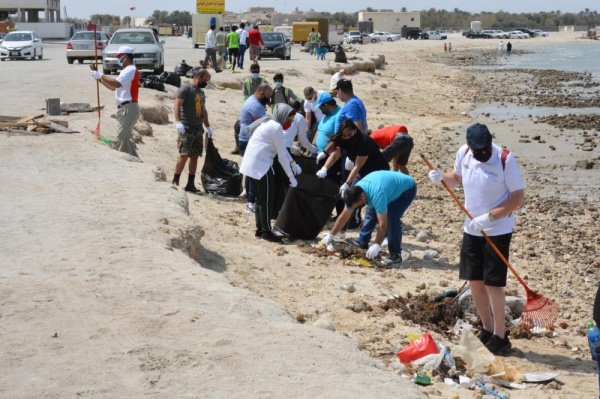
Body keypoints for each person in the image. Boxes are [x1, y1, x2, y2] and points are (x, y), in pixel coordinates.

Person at [427, 123, 525, 355]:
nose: (482, 154)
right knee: (475, 281)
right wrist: (441, 178)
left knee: (493, 284)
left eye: (485, 150)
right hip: (471, 229)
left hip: (497, 229)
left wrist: (491, 217)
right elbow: (457, 178)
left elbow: (518, 197)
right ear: (470, 146)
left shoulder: (504, 158)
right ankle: (488, 329)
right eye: (477, 151)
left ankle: (501, 337)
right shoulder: (464, 153)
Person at [321, 170, 417, 267]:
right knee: (370, 214)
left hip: (406, 189)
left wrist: (376, 245)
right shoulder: (354, 193)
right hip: (384, 187)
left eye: (358, 205)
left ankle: (395, 254)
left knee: (392, 218)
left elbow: (382, 225)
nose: (357, 207)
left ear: (362, 196)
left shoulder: (377, 194)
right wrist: (331, 234)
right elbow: (344, 216)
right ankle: (362, 242)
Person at [240, 103, 301, 243]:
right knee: (266, 200)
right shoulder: (276, 127)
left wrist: (293, 164)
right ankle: (266, 232)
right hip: (261, 166)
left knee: (260, 200)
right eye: (289, 120)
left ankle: (260, 229)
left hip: (252, 165)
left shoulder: (269, 122)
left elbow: (283, 150)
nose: (289, 124)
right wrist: (291, 177)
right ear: (283, 116)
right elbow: (281, 155)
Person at [91, 45, 141, 158]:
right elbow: (114, 88)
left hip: (128, 107)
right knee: (125, 139)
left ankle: (125, 161)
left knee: (121, 138)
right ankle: (135, 161)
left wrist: (101, 75)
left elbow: (116, 83)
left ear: (126, 57)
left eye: (120, 57)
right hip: (126, 108)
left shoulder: (130, 70)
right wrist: (100, 80)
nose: (118, 59)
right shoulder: (126, 70)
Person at [172, 69, 212, 194]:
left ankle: (190, 183)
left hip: (198, 128)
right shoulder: (186, 89)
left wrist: (208, 126)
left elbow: (203, 110)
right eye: (205, 80)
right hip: (187, 127)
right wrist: (178, 122)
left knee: (195, 156)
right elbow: (177, 105)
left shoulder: (201, 92)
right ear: (198, 77)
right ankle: (175, 180)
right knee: (184, 155)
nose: (206, 83)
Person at [239, 83, 273, 213]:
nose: (268, 99)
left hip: (247, 139)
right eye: (268, 96)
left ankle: (250, 198)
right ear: (261, 93)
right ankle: (251, 201)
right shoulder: (255, 105)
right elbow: (263, 125)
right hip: (249, 140)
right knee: (252, 171)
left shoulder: (255, 102)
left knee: (250, 171)